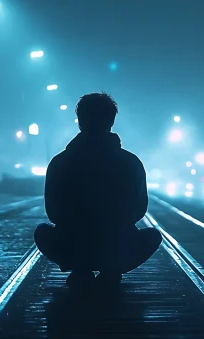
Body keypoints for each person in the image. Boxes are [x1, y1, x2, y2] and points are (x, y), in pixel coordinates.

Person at [34, 92, 162, 286]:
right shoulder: (130, 162)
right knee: (153, 235)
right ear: (111, 121)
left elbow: (53, 212)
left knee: (42, 232)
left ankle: (80, 269)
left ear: (80, 121)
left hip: (72, 245)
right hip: (117, 246)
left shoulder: (60, 162)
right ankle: (112, 269)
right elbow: (139, 208)